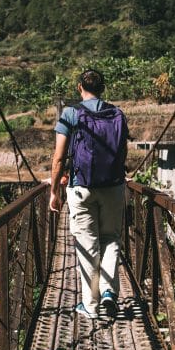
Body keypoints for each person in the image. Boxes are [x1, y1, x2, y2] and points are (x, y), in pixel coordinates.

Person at [49, 69, 129, 320]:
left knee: (88, 245)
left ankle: (91, 306)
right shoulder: (117, 114)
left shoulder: (71, 114)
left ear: (79, 87)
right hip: (113, 187)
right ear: (103, 88)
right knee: (111, 239)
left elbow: (59, 158)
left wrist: (54, 192)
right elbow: (121, 152)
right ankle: (109, 292)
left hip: (81, 187)